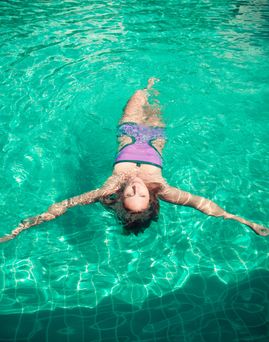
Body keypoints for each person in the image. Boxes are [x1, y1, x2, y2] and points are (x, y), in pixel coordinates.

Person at [1, 78, 268, 242]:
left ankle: (148, 83)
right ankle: (156, 83)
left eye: (130, 192)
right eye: (140, 193)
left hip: (128, 132)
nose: (135, 186)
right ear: (151, 199)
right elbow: (204, 205)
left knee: (138, 94)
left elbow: (64, 205)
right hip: (155, 137)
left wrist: (17, 230)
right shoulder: (164, 190)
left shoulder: (109, 189)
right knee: (154, 103)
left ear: (121, 197)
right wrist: (244, 221)